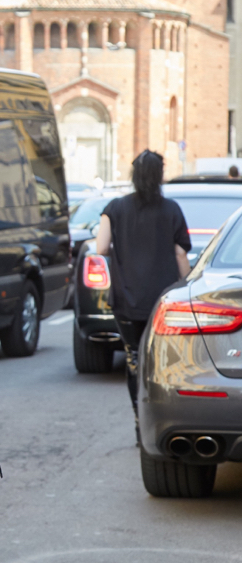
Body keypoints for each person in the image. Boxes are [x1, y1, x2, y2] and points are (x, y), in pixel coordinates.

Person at [95, 149, 191, 435]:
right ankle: (163, 424)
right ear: (160, 176)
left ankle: (139, 422)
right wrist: (186, 289)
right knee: (164, 362)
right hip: (163, 303)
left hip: (127, 300)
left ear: (134, 175)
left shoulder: (115, 208)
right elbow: (180, 254)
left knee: (133, 358)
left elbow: (101, 248)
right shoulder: (172, 209)